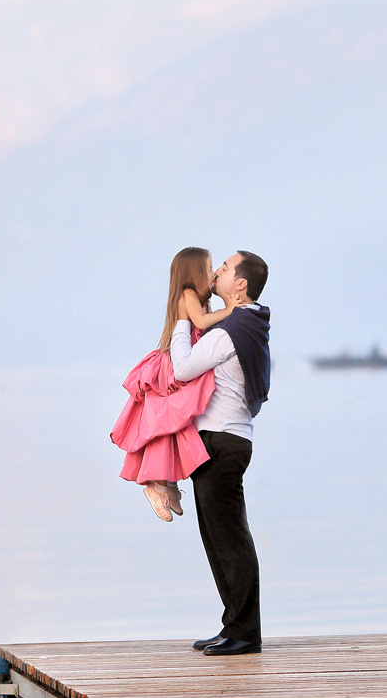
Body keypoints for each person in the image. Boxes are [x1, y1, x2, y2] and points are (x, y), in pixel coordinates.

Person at [170, 251, 270, 656]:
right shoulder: (246, 322)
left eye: (226, 269)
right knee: (217, 537)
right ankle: (233, 626)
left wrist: (181, 320)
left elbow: (182, 369)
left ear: (240, 285)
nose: (218, 273)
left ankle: (245, 632)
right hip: (222, 440)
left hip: (222, 441)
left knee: (230, 538)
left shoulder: (232, 329)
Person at [110, 247, 236, 521]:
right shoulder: (188, 295)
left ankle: (168, 483)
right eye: (208, 268)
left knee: (177, 424)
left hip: (189, 353)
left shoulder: (198, 297)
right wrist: (230, 310)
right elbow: (201, 322)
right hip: (176, 359)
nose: (213, 272)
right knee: (170, 418)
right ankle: (155, 484)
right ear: (194, 272)